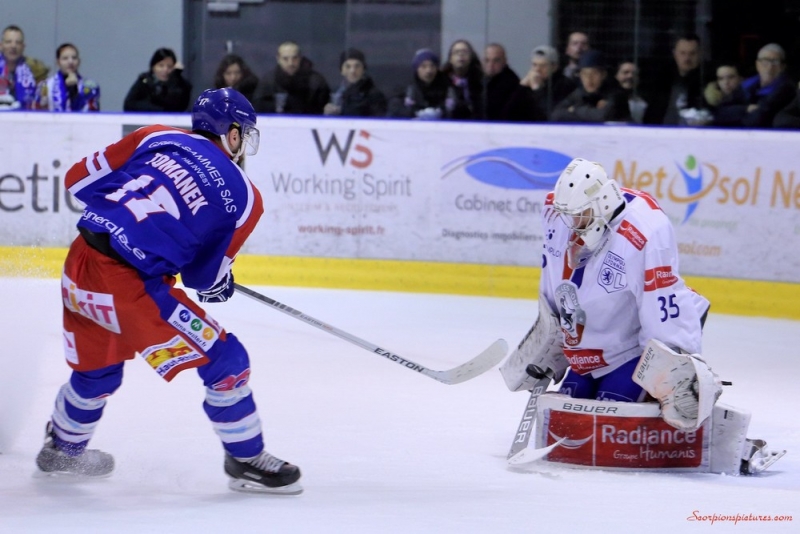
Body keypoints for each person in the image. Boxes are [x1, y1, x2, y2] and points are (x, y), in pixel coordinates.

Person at [34, 88, 302, 495]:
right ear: (230, 134)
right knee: (226, 359)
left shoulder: (155, 136)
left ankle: (63, 449)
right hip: (129, 287)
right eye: (242, 134)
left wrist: (124, 217)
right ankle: (246, 458)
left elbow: (77, 181)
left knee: (97, 370)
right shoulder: (246, 197)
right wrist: (218, 282)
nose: (243, 144)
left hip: (82, 260)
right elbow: (202, 279)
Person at [499, 158, 784, 475]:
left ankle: (726, 439)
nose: (574, 224)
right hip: (586, 353)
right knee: (569, 423)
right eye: (570, 215)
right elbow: (553, 281)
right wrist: (549, 343)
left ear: (603, 201)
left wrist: (675, 368)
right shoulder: (557, 212)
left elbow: (662, 300)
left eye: (582, 215)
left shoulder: (645, 230)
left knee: (609, 425)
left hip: (629, 353)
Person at [713, 43, 795, 128]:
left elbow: (755, 120)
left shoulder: (786, 89)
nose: (770, 67)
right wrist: (746, 109)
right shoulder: (747, 85)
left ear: (783, 67)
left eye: (775, 62)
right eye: (765, 61)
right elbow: (719, 113)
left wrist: (736, 116)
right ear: (757, 65)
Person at [550, 50, 631, 123]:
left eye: (594, 74)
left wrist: (575, 109)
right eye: (584, 74)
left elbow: (602, 116)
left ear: (603, 75)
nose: (589, 79)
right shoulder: (579, 93)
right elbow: (556, 114)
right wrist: (590, 112)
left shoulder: (615, 93)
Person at [502, 45, 576, 122]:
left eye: (543, 65)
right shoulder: (528, 84)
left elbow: (552, 114)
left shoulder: (565, 84)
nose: (537, 69)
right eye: (534, 65)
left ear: (554, 67)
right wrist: (521, 87)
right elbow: (507, 113)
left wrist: (537, 90)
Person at [643, 34, 706, 125]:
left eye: (692, 53)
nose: (687, 58)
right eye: (682, 53)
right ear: (675, 54)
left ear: (700, 54)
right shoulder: (661, 82)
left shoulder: (706, 82)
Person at [254, 41, 330, 115]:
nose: (290, 63)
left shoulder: (315, 81)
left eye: (294, 58)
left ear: (300, 58)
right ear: (278, 59)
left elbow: (323, 109)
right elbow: (258, 108)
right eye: (285, 59)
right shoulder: (268, 81)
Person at [387, 48, 451, 120]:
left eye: (432, 66)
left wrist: (442, 112)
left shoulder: (447, 87)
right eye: (423, 66)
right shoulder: (406, 89)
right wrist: (414, 113)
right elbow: (394, 109)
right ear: (416, 69)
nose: (428, 70)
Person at [123, 47, 192, 112]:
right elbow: (129, 104)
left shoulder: (182, 85)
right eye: (161, 66)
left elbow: (178, 105)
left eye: (169, 67)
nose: (165, 70)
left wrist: (176, 76)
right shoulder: (144, 81)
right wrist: (156, 109)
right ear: (153, 67)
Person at [323, 48, 387, 118]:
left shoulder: (373, 94)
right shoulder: (335, 92)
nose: (352, 71)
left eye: (357, 66)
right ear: (342, 70)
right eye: (348, 66)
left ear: (363, 70)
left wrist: (342, 111)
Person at [36, 43, 100, 112]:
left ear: (79, 61)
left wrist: (73, 91)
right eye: (65, 58)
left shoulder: (90, 86)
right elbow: (38, 113)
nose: (70, 62)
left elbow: (93, 115)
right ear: (58, 62)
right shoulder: (46, 85)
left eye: (74, 58)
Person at [0, 24, 49, 110]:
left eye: (18, 42)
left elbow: (44, 101)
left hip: (25, 118)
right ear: (1, 45)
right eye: (8, 42)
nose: (13, 46)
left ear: (23, 47)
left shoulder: (36, 69)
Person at [441, 39, 484, 119]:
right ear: (450, 59)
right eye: (456, 52)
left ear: (471, 57)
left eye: (465, 52)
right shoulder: (441, 82)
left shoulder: (480, 81)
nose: (460, 54)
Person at [482, 43, 520, 121]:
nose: (490, 65)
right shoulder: (479, 79)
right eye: (487, 60)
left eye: (496, 61)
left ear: (504, 61)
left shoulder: (511, 83)